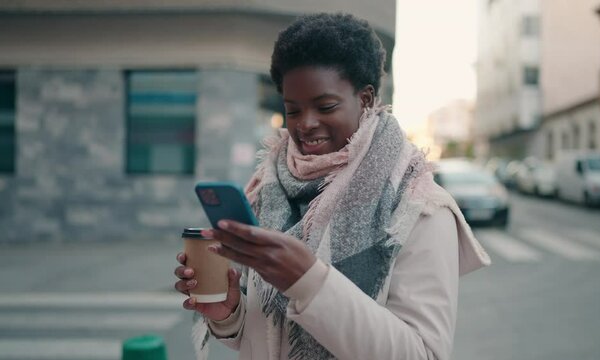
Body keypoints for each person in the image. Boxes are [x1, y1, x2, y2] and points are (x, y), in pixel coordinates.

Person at [174, 13, 491, 360]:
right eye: (292, 111)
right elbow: (265, 337)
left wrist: (309, 281)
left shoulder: (419, 207)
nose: (306, 124)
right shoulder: (271, 190)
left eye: (325, 106)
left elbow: (423, 354)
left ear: (366, 99)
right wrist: (230, 314)